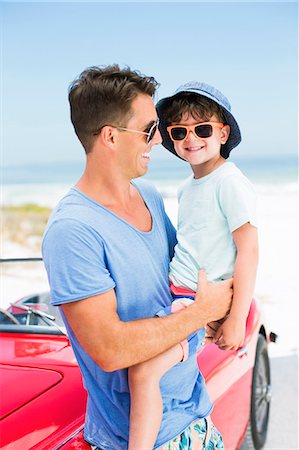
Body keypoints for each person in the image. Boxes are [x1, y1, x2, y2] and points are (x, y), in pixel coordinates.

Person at [42, 66, 233, 450]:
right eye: (149, 129)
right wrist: (200, 313)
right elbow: (111, 350)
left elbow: (186, 280)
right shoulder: (72, 231)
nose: (159, 138)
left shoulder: (148, 194)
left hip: (197, 420)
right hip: (136, 439)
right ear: (110, 137)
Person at [127, 81, 258, 450]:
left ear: (222, 133)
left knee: (144, 372)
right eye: (179, 131)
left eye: (202, 129)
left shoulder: (229, 182)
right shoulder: (188, 187)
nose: (191, 139)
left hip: (193, 302)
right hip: (174, 296)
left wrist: (236, 317)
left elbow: (248, 250)